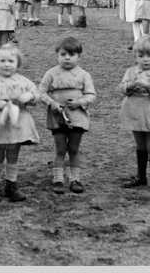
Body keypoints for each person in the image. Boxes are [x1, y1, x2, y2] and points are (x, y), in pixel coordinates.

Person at [0, 43, 40, 202]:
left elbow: (36, 94)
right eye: (2, 61)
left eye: (11, 61)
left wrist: (29, 97)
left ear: (17, 63)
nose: (6, 64)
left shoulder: (23, 81)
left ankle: (11, 184)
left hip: (16, 125)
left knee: (13, 155)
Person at [37, 36, 98, 193]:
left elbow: (91, 95)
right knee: (60, 148)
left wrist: (80, 102)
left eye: (71, 55)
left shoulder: (84, 75)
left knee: (73, 148)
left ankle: (75, 179)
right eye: (63, 54)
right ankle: (58, 179)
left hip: (77, 117)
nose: (67, 58)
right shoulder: (51, 73)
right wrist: (52, 103)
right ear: (57, 55)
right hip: (57, 116)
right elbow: (41, 92)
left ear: (79, 56)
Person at [119, 36, 150, 193]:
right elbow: (121, 87)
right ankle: (141, 177)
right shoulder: (131, 71)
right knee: (140, 145)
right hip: (135, 112)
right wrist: (130, 86)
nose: (145, 60)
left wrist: (148, 86)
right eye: (141, 56)